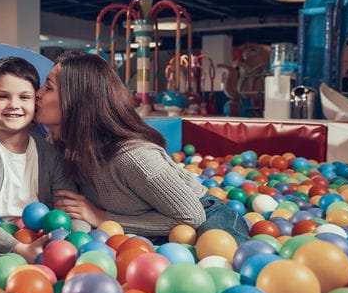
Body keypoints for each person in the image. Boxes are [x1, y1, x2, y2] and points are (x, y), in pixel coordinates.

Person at [35, 51, 250, 244]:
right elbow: (73, 213)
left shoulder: (133, 157)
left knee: (218, 249)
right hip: (144, 231)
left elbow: (191, 217)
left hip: (204, 213)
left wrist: (102, 217)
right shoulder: (63, 148)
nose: (38, 93)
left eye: (49, 87)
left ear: (78, 102)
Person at [0, 57, 89, 263]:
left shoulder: (50, 153)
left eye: (24, 97)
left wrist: (70, 243)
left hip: (44, 245)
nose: (14, 105)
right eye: (3, 96)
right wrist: (19, 248)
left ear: (35, 103)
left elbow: (72, 211)